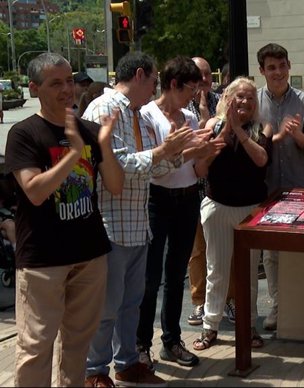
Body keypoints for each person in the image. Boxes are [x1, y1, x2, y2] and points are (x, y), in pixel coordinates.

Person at [5, 52, 123, 387]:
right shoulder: (24, 134)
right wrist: (73, 154)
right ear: (34, 88)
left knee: (77, 345)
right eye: (56, 83)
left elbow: (115, 186)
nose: (67, 89)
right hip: (42, 260)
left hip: (89, 255)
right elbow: (34, 191)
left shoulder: (90, 131)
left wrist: (105, 146)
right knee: (36, 347)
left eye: (70, 80)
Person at [82, 52, 195, 387]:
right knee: (107, 306)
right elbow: (118, 165)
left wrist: (178, 154)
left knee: (132, 301)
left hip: (136, 224)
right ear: (141, 75)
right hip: (109, 225)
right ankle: (94, 370)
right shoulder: (106, 109)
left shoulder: (141, 117)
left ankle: (127, 361)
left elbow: (152, 170)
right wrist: (164, 152)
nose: (156, 87)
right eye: (155, 80)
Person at [136, 56, 219, 370]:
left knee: (176, 275)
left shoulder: (189, 115)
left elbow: (196, 169)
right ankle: (141, 343)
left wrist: (209, 153)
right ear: (172, 85)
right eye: (189, 90)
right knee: (150, 275)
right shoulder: (146, 115)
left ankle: (171, 340)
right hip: (157, 199)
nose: (193, 98)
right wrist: (191, 151)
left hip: (187, 198)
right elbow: (152, 164)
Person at [192, 77, 272, 351]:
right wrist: (225, 129)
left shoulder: (262, 128)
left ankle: (247, 326)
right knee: (217, 270)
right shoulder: (211, 127)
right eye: (239, 96)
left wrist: (240, 131)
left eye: (250, 97)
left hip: (251, 210)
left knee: (248, 272)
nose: (245, 102)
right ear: (227, 99)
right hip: (218, 207)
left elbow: (261, 159)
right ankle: (210, 326)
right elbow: (201, 168)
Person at [257, 43, 304, 331]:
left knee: (298, 249)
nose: (278, 72)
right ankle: (277, 306)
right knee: (270, 253)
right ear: (262, 71)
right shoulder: (253, 102)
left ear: (289, 66)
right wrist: (276, 137)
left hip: (297, 187)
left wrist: (298, 137)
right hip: (266, 188)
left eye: (282, 66)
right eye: (271, 67)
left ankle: (300, 305)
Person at [185, 56, 230, 327]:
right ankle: (200, 301)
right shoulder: (182, 105)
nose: (203, 80)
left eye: (206, 75)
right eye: (197, 75)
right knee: (198, 251)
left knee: (224, 250)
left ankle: (229, 301)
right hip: (192, 187)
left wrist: (208, 119)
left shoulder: (221, 103)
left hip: (218, 187)